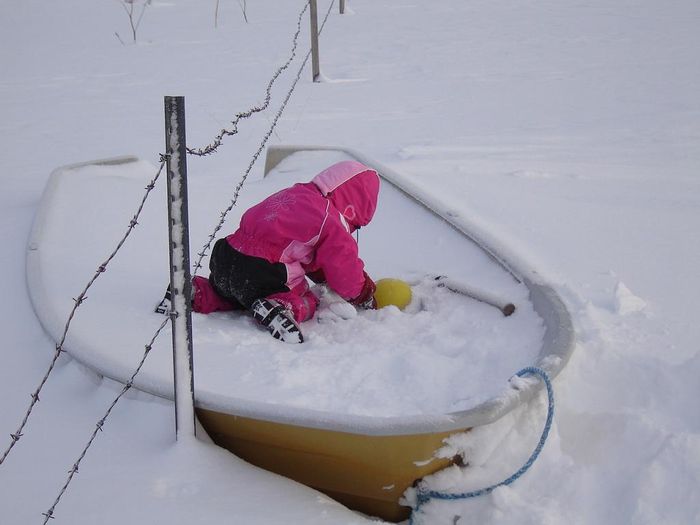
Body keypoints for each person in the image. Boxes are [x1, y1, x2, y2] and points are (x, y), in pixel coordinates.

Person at [158, 160, 381, 343]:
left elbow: (314, 255)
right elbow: (343, 267)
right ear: (354, 207)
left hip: (226, 255)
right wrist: (363, 292)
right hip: (264, 268)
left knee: (233, 293)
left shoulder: (294, 194)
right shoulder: (331, 221)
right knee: (307, 298)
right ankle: (281, 306)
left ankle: (196, 291)